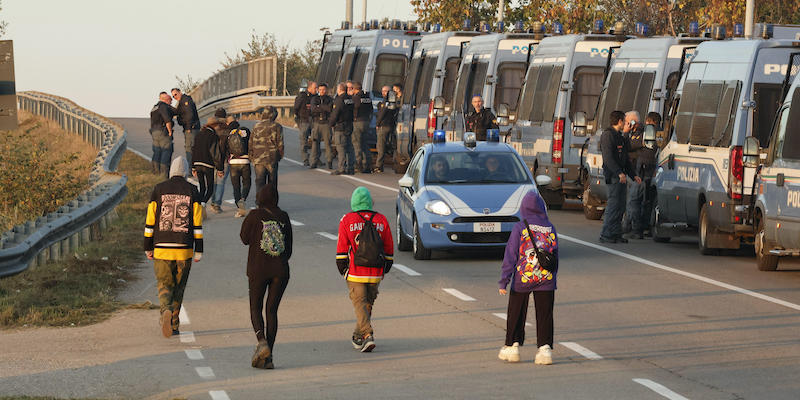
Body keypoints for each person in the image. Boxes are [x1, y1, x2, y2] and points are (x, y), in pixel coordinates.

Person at [144, 156, 203, 338]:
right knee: (179, 286)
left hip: (161, 246)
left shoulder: (159, 189)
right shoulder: (193, 190)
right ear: (185, 172)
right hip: (184, 248)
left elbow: (150, 220)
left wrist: (148, 246)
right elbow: (197, 222)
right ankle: (175, 324)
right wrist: (198, 249)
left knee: (164, 284)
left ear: (171, 171)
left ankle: (165, 311)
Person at [498, 190, 558, 365]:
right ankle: (545, 349)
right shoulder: (550, 227)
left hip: (523, 279)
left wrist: (504, 280)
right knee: (545, 314)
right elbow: (555, 255)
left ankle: (512, 346)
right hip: (546, 279)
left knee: (516, 311)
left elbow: (511, 256)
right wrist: (552, 277)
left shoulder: (520, 227)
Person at [240, 184, 292, 369]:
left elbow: (244, 238)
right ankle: (269, 357)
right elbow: (289, 249)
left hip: (258, 269)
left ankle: (261, 342)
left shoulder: (254, 215)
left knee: (256, 308)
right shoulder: (284, 216)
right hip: (281, 271)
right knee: (271, 311)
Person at [336, 187, 394, 352]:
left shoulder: (347, 220)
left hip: (356, 271)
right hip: (375, 272)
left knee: (360, 304)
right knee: (366, 306)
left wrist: (343, 269)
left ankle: (367, 335)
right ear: (370, 202)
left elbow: (341, 249)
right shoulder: (381, 220)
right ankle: (357, 336)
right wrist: (386, 267)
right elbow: (389, 246)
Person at [599, 110, 641, 243]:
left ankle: (616, 233)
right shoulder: (607, 135)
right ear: (619, 121)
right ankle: (606, 234)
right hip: (613, 176)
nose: (626, 124)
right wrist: (619, 172)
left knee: (621, 206)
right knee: (613, 204)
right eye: (625, 121)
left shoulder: (620, 136)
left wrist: (633, 175)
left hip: (621, 176)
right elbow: (608, 158)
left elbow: (626, 156)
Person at [626, 112, 661, 239]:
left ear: (648, 121)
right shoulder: (663, 134)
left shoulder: (646, 134)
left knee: (635, 201)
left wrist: (629, 132)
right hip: (654, 172)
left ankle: (636, 230)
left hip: (642, 171)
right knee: (648, 202)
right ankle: (648, 228)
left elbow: (629, 145)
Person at [191, 123, 223, 215]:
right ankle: (203, 204)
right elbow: (215, 153)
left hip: (197, 163)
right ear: (215, 126)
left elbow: (193, 150)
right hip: (208, 164)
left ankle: (198, 208)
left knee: (202, 187)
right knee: (210, 188)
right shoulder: (213, 136)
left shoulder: (198, 135)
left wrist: (193, 167)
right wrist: (220, 169)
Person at [251, 106, 284, 193]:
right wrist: (279, 156)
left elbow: (251, 143)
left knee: (259, 182)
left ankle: (259, 202)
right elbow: (280, 144)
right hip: (272, 158)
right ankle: (271, 202)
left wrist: (252, 157)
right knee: (272, 184)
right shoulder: (277, 126)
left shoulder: (256, 126)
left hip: (258, 158)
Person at [225, 118, 252, 218]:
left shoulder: (229, 134)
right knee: (247, 183)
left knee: (236, 187)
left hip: (233, 162)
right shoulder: (245, 131)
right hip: (245, 161)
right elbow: (251, 144)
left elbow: (225, 148)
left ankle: (239, 209)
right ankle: (243, 198)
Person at [622, 111, 642, 234]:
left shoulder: (640, 134)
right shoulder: (632, 133)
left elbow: (626, 146)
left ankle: (633, 227)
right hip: (631, 171)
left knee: (632, 201)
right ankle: (629, 225)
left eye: (627, 122)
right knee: (628, 201)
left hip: (637, 171)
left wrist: (625, 133)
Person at [208, 109, 232, 214]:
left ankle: (213, 202)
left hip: (212, 159)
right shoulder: (228, 130)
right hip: (225, 159)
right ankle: (217, 204)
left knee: (213, 182)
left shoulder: (211, 129)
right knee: (221, 183)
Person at [330, 83, 355, 175]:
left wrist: (331, 124)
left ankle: (341, 168)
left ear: (339, 89)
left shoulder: (339, 100)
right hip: (349, 125)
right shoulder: (350, 99)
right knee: (349, 147)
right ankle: (351, 167)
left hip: (340, 126)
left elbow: (335, 114)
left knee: (341, 148)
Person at [171, 88, 201, 165]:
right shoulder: (181, 102)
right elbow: (178, 113)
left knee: (190, 148)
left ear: (180, 92)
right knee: (192, 148)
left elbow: (189, 115)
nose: (175, 97)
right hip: (190, 128)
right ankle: (194, 168)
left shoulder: (185, 101)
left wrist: (188, 127)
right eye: (173, 96)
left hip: (191, 128)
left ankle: (191, 169)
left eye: (175, 94)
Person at [149, 92, 176, 177]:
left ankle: (155, 173)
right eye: (170, 100)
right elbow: (167, 120)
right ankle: (164, 175)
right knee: (166, 151)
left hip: (154, 132)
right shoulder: (163, 106)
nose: (171, 103)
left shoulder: (154, 107)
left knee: (157, 152)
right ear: (166, 100)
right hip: (163, 132)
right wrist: (170, 131)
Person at [310, 83, 334, 169]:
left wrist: (320, 107)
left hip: (326, 124)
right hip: (317, 123)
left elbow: (330, 109)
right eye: (320, 90)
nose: (322, 91)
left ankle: (329, 161)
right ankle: (313, 162)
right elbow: (313, 109)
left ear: (326, 90)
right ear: (318, 90)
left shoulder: (330, 99)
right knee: (315, 143)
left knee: (328, 144)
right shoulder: (314, 99)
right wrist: (323, 108)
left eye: (323, 90)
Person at [374, 85, 397, 173]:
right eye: (383, 91)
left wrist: (377, 124)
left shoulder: (386, 102)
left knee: (380, 146)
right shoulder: (392, 102)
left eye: (386, 91)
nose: (384, 93)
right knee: (388, 146)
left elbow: (382, 114)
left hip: (383, 126)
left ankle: (378, 166)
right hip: (390, 125)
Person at [351, 82, 373, 173]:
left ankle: (358, 165)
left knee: (357, 145)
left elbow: (353, 109)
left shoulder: (356, 98)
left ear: (355, 89)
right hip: (366, 122)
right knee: (365, 144)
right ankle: (367, 165)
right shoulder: (367, 98)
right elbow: (371, 109)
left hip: (357, 122)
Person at [294, 81, 316, 167]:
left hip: (313, 121)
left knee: (315, 140)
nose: (316, 90)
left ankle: (315, 159)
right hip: (304, 120)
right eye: (315, 88)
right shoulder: (302, 96)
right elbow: (296, 108)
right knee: (304, 141)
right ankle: (305, 159)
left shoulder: (316, 97)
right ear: (309, 88)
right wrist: (300, 117)